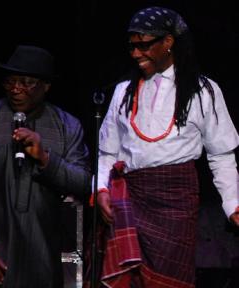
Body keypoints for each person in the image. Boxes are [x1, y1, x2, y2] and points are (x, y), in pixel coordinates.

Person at [94, 6, 239, 288]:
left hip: (176, 199)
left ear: (168, 42)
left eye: (145, 45)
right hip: (130, 199)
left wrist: (233, 205)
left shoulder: (201, 90)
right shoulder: (123, 91)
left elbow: (221, 154)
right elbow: (107, 152)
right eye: (132, 46)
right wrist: (100, 189)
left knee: (170, 281)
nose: (136, 54)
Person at [0, 45, 91, 288]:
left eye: (26, 82)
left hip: (41, 260)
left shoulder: (67, 127)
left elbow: (83, 183)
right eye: (10, 81)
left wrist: (45, 158)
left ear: (46, 86)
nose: (15, 89)